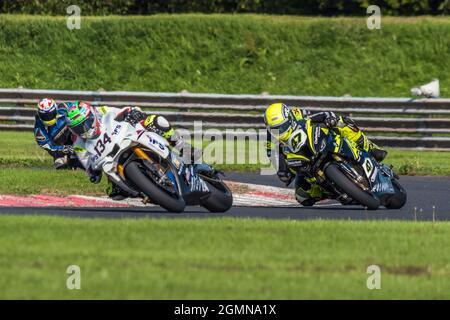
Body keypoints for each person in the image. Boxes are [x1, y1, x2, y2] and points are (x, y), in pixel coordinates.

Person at [66, 102, 199, 200]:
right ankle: (148, 192)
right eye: (78, 129)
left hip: (128, 134)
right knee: (115, 193)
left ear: (91, 116)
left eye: (85, 124)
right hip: (110, 158)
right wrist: (92, 173)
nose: (83, 130)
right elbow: (86, 162)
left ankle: (183, 146)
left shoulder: (101, 110)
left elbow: (123, 110)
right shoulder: (78, 143)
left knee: (156, 121)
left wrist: (132, 112)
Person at [264, 102, 388, 206]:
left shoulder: (297, 113)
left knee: (342, 123)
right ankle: (335, 192)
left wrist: (328, 118)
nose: (281, 131)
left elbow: (314, 118)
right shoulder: (270, 141)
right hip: (304, 162)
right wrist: (287, 170)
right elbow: (281, 171)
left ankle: (370, 147)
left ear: (289, 118)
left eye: (283, 126)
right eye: (277, 129)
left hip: (316, 141)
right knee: (302, 197)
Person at [34, 98, 76, 169]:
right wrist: (64, 149)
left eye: (50, 114)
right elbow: (48, 146)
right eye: (44, 115)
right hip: (59, 148)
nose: (48, 117)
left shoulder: (65, 107)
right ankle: (61, 159)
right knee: (61, 166)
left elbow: (81, 109)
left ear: (55, 110)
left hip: (76, 137)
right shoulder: (39, 129)